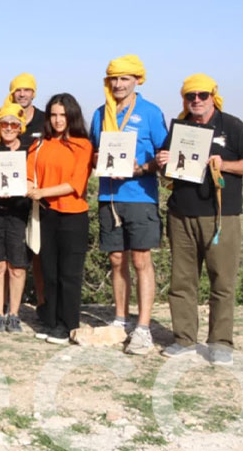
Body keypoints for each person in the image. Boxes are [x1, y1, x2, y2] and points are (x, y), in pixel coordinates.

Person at [157, 74, 243, 365]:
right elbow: (167, 173)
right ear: (185, 99)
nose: (196, 101)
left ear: (213, 96)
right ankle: (184, 338)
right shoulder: (179, 127)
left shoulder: (233, 125)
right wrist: (161, 163)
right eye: (191, 96)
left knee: (222, 280)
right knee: (181, 281)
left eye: (202, 95)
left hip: (221, 216)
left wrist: (224, 164)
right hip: (181, 214)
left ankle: (220, 342)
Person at [89, 55, 169, 355]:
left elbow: (164, 156)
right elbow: (94, 151)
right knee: (116, 261)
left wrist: (142, 168)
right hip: (109, 196)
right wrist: (98, 159)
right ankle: (120, 320)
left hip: (141, 196)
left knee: (140, 261)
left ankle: (144, 328)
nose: (119, 84)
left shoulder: (150, 112)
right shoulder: (100, 114)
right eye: (114, 79)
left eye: (125, 78)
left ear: (137, 80)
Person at [27, 94, 93, 344]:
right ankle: (52, 321)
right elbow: (28, 173)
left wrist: (42, 191)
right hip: (46, 214)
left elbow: (75, 183)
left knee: (69, 273)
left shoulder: (83, 145)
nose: (57, 120)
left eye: (63, 115)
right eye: (53, 114)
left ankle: (68, 324)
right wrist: (28, 185)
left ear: (72, 116)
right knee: (49, 272)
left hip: (73, 216)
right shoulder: (39, 144)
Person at [0, 73, 46, 306]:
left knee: (24, 261)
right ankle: (0, 312)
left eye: (27, 90)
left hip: (25, 207)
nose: (22, 94)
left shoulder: (40, 126)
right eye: (18, 90)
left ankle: (36, 306)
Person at [0, 103, 32, 333]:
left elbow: (37, 177)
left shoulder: (30, 151)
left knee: (17, 267)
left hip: (20, 213)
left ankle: (14, 313)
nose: (9, 128)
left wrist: (30, 185)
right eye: (4, 124)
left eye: (14, 124)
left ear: (20, 127)